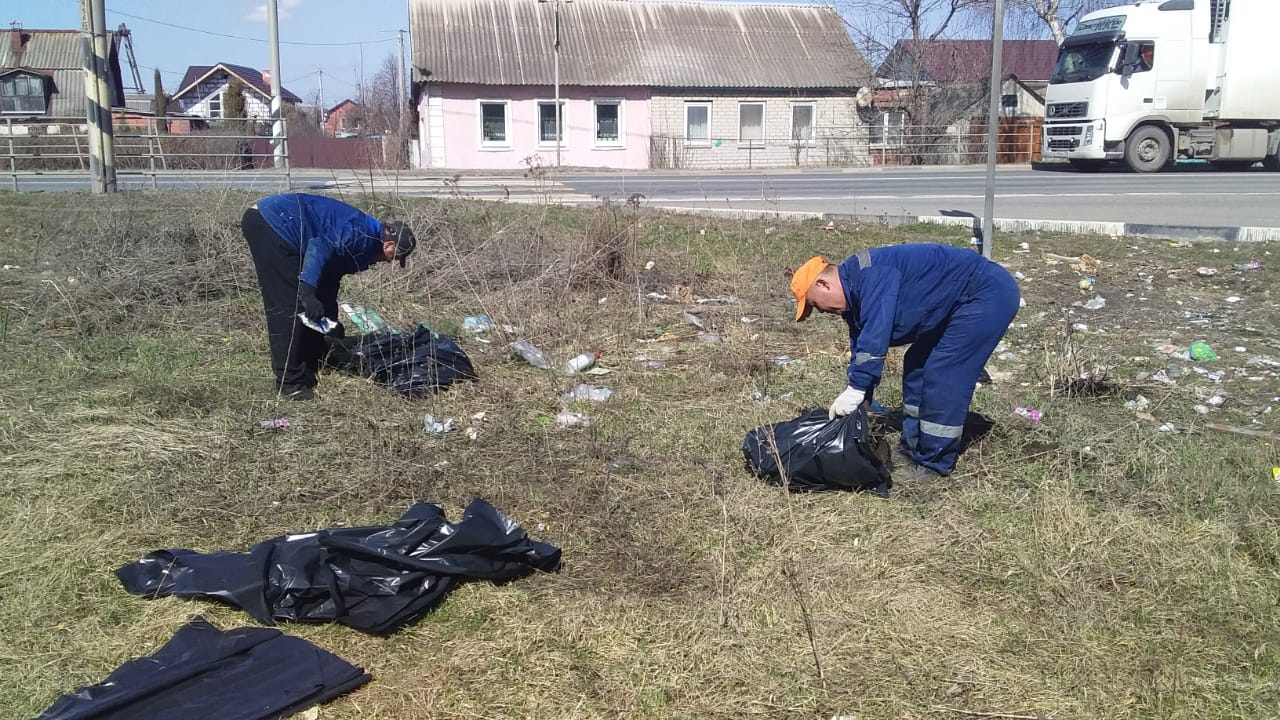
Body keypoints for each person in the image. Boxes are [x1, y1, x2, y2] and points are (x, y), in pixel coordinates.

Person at [789, 243, 1020, 482]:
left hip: (985, 293)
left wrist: (857, 388)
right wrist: (859, 398)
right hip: (952, 302)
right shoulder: (854, 296)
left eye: (815, 304)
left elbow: (875, 335)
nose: (821, 312)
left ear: (823, 284)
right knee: (917, 363)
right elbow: (862, 348)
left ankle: (933, 462)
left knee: (944, 372)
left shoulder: (870, 276)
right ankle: (912, 446)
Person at [241, 193, 416, 400]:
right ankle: (290, 383)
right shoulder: (360, 234)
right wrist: (306, 292)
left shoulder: (367, 241)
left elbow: (330, 274)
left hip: (284, 224)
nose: (389, 262)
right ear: (388, 245)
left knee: (311, 302)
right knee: (289, 307)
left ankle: (315, 357)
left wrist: (329, 318)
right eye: (394, 257)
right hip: (273, 224)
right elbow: (319, 247)